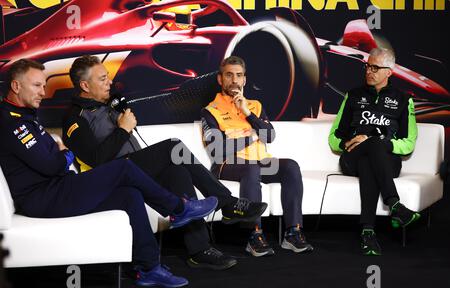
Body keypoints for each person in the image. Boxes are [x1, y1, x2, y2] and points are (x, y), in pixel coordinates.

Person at [0, 59, 221, 288]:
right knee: (124, 168)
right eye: (37, 86)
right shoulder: (12, 123)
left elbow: (51, 159)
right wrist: (65, 156)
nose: (43, 93)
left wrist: (61, 155)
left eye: (44, 86)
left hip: (58, 188)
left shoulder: (24, 117)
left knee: (129, 194)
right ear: (16, 86)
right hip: (45, 198)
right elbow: (52, 165)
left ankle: (148, 268)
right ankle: (178, 208)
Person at [62, 55, 268, 270]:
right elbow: (97, 160)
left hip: (135, 170)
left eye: (108, 77)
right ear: (85, 85)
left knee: (178, 171)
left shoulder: (109, 105)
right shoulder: (74, 118)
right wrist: (123, 129)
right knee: (173, 147)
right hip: (111, 178)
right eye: (102, 79)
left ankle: (200, 251)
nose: (109, 83)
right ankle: (227, 203)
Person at [201, 56, 313, 257]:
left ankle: (293, 232)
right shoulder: (210, 110)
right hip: (227, 165)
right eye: (229, 75)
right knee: (251, 167)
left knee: (290, 167)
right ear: (220, 79)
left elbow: (270, 136)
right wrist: (251, 137)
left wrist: (247, 114)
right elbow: (218, 150)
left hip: (259, 162)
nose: (234, 80)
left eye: (239, 75)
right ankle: (254, 235)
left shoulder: (255, 106)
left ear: (244, 80)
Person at [328, 48, 421, 256]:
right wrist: (349, 143)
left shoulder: (404, 100)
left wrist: (377, 141)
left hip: (387, 162)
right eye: (367, 66)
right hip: (352, 157)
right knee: (368, 151)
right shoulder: (353, 96)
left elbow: (408, 143)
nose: (369, 71)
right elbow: (334, 138)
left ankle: (367, 232)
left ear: (389, 72)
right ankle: (395, 206)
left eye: (375, 68)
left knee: (372, 155)